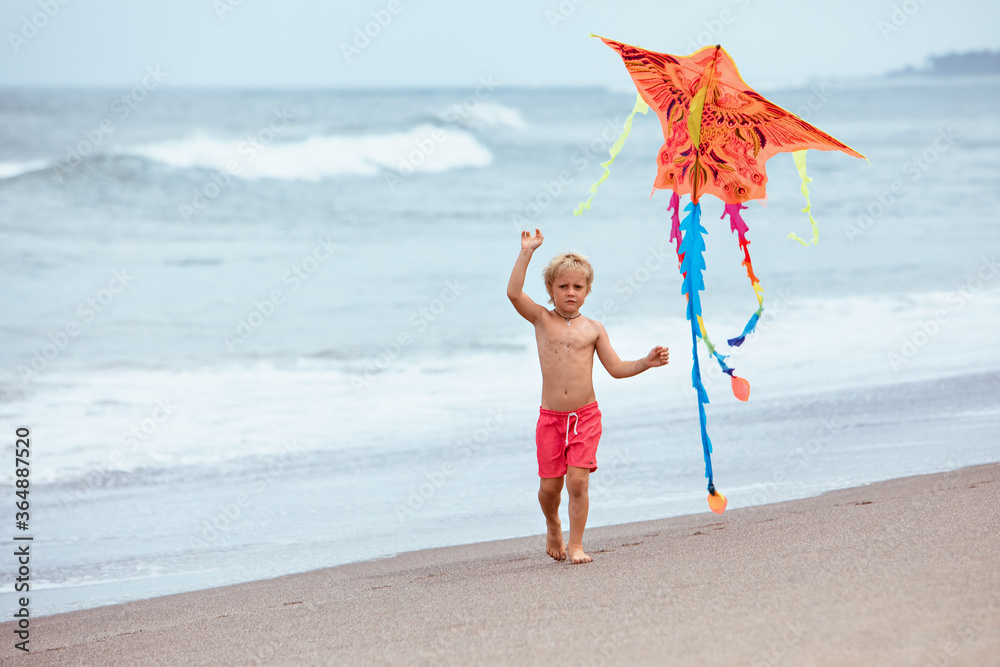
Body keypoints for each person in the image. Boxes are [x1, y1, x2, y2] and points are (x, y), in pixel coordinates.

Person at [506, 228, 670, 564]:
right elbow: (513, 293)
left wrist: (645, 363)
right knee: (550, 489)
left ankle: (577, 544)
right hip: (551, 419)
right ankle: (553, 524)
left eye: (577, 287)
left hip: (585, 417)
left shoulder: (593, 329)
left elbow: (616, 368)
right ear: (550, 290)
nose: (570, 292)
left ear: (587, 291)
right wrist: (527, 252)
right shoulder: (541, 319)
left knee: (577, 483)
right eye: (562, 286)